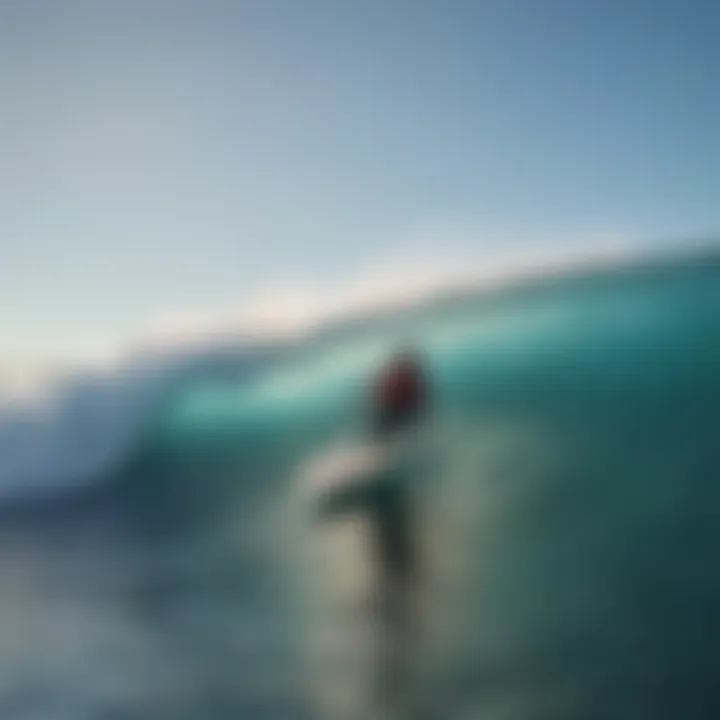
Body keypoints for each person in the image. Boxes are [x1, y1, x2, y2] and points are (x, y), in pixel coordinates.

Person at [312, 348, 430, 709]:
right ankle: (389, 667)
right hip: (389, 497)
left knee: (397, 574)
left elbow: (411, 413)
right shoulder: (390, 399)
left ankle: (390, 665)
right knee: (394, 571)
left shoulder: (403, 395)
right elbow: (385, 425)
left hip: (394, 496)